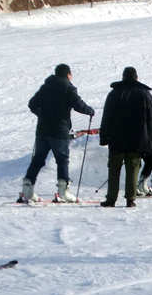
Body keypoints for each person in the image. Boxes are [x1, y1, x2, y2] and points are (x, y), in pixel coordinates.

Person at [20, 63, 95, 204]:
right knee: (62, 160)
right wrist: (90, 111)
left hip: (42, 130)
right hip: (59, 131)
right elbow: (78, 104)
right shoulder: (68, 87)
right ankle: (63, 191)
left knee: (38, 159)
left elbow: (32, 103)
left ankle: (27, 189)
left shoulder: (46, 87)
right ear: (68, 74)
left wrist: (42, 115)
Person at [100, 66, 152, 207]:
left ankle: (111, 199)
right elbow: (150, 119)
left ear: (123, 77)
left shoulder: (114, 93)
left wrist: (104, 136)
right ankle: (130, 199)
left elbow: (106, 116)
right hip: (137, 139)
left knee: (114, 169)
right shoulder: (145, 94)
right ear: (136, 77)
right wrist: (148, 138)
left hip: (116, 138)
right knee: (133, 168)